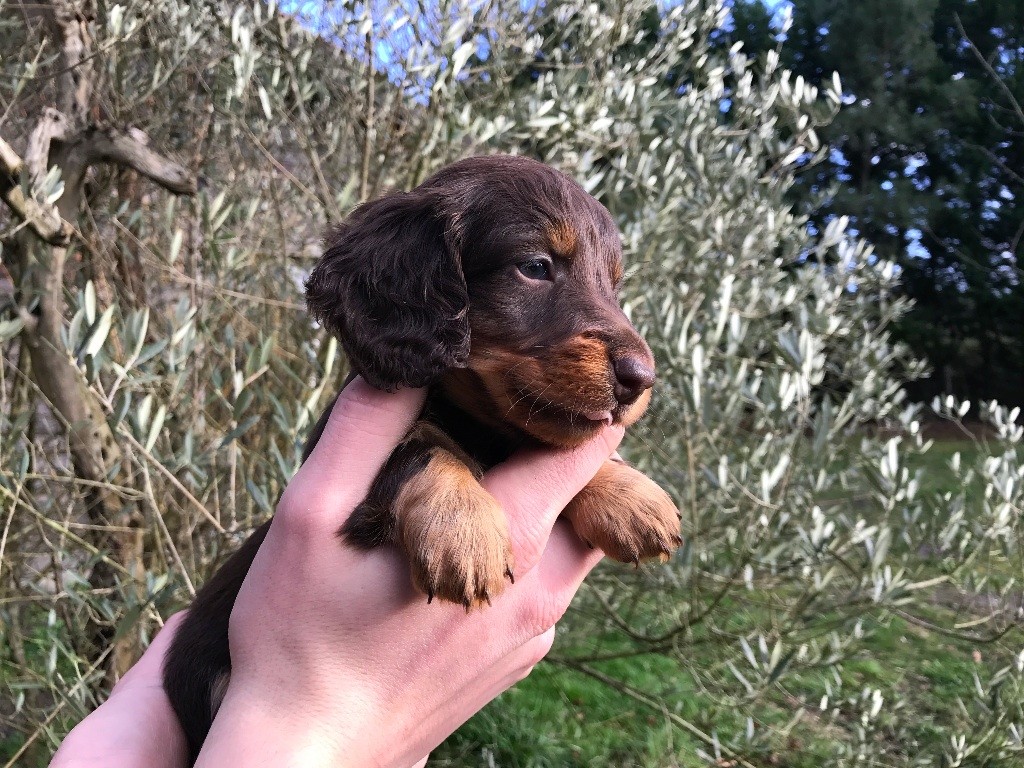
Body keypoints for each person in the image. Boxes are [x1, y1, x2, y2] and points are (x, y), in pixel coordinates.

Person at [50, 377, 623, 767]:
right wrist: (334, 732)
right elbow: (394, 471)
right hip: (214, 678)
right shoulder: (398, 410)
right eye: (536, 268)